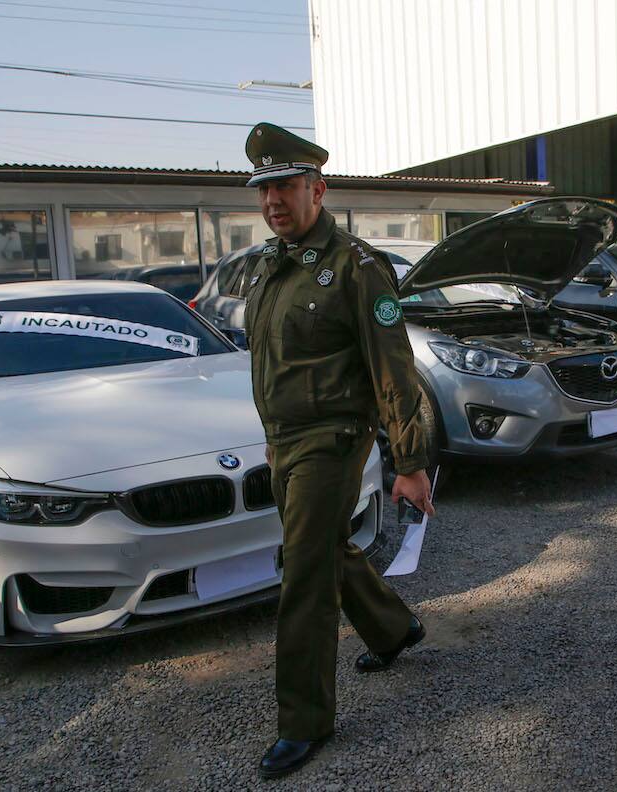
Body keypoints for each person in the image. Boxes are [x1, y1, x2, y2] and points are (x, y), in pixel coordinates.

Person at [240, 122, 437, 779]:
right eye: (263, 188)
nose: (272, 200)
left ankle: (303, 723)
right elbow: (274, 363)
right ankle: (394, 629)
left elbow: (393, 369)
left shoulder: (356, 266)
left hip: (334, 440)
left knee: (303, 571)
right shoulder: (271, 266)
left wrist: (409, 463)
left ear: (316, 189)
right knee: (324, 545)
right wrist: (274, 438)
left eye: (284, 186)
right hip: (286, 443)